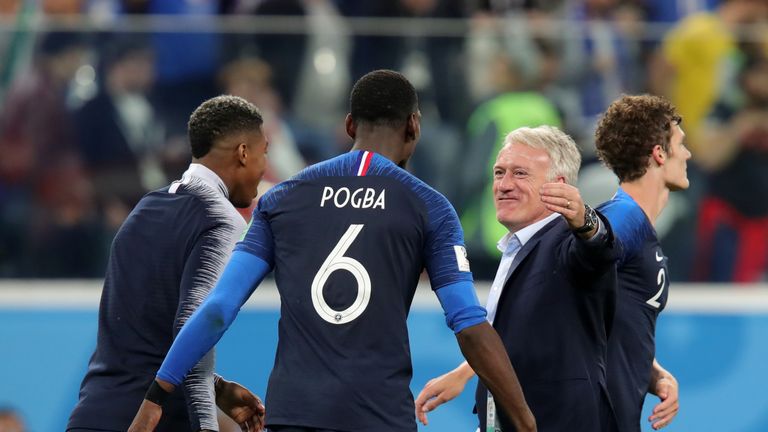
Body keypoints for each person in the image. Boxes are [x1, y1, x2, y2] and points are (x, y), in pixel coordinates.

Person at [128, 69, 537, 432]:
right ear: (413, 126)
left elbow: (219, 307)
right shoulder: (428, 206)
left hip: (294, 414)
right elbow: (467, 323)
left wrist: (157, 394)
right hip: (378, 415)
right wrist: (523, 419)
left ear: (348, 125)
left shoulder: (282, 197)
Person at [67, 95, 268, 432]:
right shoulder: (221, 220)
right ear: (244, 153)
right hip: (151, 421)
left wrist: (216, 387)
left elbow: (139, 336)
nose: (264, 168)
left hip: (93, 413)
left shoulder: (146, 208)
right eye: (265, 153)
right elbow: (197, 323)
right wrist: (205, 424)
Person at [415, 125, 620, 431]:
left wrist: (586, 220)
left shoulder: (565, 241)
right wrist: (467, 371)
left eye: (520, 174)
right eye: (499, 173)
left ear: (559, 187)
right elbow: (525, 336)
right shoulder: (520, 245)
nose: (504, 185)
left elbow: (600, 251)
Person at [594, 94, 687, 431]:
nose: (688, 154)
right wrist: (473, 369)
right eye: (681, 144)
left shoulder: (637, 225)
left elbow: (613, 323)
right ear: (659, 154)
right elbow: (552, 292)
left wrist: (654, 372)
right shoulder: (624, 218)